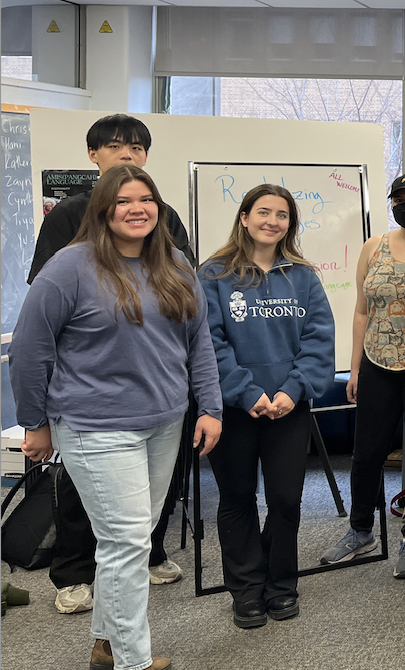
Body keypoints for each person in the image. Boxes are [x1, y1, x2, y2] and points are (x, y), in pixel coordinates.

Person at [11, 164, 223, 670]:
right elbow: (30, 350)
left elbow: (199, 344)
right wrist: (33, 422)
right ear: (103, 209)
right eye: (124, 200)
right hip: (94, 427)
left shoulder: (174, 262)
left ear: (158, 206)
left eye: (146, 199)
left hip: (164, 421)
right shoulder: (69, 267)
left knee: (126, 538)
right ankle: (133, 660)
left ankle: (107, 644)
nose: (137, 209)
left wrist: (210, 405)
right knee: (128, 542)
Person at [27, 113, 196, 614]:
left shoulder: (163, 215)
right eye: (116, 146)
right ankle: (74, 573)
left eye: (137, 147)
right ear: (93, 155)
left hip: (157, 380)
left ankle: (149, 554)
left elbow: (181, 284)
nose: (127, 154)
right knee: (87, 490)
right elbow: (46, 301)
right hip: (91, 387)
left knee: (152, 489)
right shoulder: (67, 216)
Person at [200, 184, 335, 628]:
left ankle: (281, 584)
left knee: (285, 499)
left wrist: (291, 390)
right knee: (237, 498)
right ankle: (246, 589)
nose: (272, 221)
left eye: (282, 215)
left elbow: (318, 342)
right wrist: (246, 392)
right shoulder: (214, 274)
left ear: (290, 225)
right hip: (234, 411)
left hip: (287, 408)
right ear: (243, 217)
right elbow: (208, 344)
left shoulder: (303, 276)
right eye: (263, 212)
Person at [319, 172, 405, 579]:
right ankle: (360, 530)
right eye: (400, 198)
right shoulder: (375, 247)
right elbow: (360, 310)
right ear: (391, 203)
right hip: (376, 363)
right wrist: (353, 368)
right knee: (366, 452)